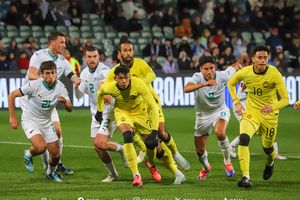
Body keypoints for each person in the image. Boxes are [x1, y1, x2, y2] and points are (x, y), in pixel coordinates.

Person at [105, 39, 190, 171]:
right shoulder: (115, 71)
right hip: (134, 109)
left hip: (151, 103)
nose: (128, 53)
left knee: (161, 132)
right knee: (150, 141)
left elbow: (152, 74)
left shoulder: (140, 63)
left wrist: (139, 84)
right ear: (119, 53)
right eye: (125, 50)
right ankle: (157, 163)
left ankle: (175, 153)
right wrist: (106, 94)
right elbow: (106, 86)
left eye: (130, 50)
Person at [96, 66, 185, 186]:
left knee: (153, 144)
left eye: (126, 78)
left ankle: (158, 165)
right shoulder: (109, 87)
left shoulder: (138, 84)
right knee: (127, 136)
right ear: (115, 78)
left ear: (130, 77)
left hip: (141, 114)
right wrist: (99, 111)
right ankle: (136, 176)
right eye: (120, 78)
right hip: (123, 113)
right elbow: (100, 93)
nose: (123, 81)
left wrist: (154, 131)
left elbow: (153, 106)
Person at [227, 46, 289, 188]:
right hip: (251, 113)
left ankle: (270, 162)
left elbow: (285, 99)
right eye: (259, 58)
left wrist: (273, 107)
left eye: (265, 58)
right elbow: (231, 83)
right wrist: (236, 102)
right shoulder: (246, 72)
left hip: (269, 116)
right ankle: (246, 177)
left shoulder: (274, 74)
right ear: (253, 59)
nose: (262, 60)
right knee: (243, 139)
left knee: (268, 149)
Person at [20, 31, 81, 175]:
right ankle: (44, 164)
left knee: (57, 131)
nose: (65, 45)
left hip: (49, 97)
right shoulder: (39, 55)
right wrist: (47, 83)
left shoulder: (63, 61)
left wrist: (80, 82)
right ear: (52, 43)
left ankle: (56, 164)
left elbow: (72, 76)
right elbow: (31, 74)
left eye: (65, 42)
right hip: (33, 98)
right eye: (62, 42)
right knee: (42, 134)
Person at [8, 61, 72, 182]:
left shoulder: (61, 87)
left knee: (56, 155)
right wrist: (12, 117)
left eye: (53, 73)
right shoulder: (34, 85)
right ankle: (28, 154)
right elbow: (12, 95)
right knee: (41, 147)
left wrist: (66, 103)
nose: (51, 76)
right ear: (42, 74)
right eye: (47, 73)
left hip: (47, 122)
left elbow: (70, 109)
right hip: (30, 121)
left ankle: (50, 173)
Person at [74, 46, 127, 182]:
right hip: (95, 114)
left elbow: (108, 84)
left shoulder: (104, 71)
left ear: (99, 57)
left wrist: (105, 90)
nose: (92, 60)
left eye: (95, 57)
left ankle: (122, 149)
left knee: (101, 143)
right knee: (98, 148)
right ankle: (113, 174)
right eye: (89, 57)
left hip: (108, 112)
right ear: (85, 58)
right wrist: (76, 86)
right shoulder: (84, 73)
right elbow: (79, 96)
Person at [184, 55, 241, 180]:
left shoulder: (222, 76)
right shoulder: (197, 77)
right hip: (202, 116)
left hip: (220, 111)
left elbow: (236, 65)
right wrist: (204, 84)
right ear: (201, 69)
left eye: (211, 68)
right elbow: (186, 88)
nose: (209, 71)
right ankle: (206, 168)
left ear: (215, 67)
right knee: (199, 151)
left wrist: (244, 76)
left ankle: (227, 162)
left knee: (220, 132)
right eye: (206, 69)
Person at [230, 82, 287, 160]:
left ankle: (275, 153)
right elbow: (244, 85)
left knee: (269, 126)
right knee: (251, 129)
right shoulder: (251, 76)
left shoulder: (261, 76)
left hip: (253, 107)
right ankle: (231, 146)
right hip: (241, 105)